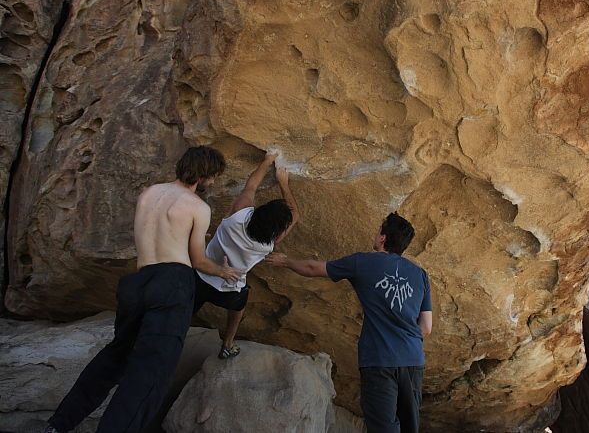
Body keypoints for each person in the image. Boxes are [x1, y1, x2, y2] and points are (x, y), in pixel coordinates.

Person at [45, 146, 242, 433]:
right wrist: (223, 270)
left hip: (137, 283)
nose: (212, 183)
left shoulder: (149, 193)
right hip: (172, 283)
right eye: (212, 177)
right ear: (204, 174)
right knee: (150, 371)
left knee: (114, 358)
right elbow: (198, 260)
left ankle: (58, 426)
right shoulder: (198, 207)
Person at [266, 212, 433, 433]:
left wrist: (286, 261)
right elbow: (426, 327)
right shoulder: (420, 274)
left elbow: (313, 268)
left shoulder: (362, 263)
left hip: (379, 360)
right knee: (409, 426)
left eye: (378, 231)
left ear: (383, 238)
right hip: (413, 360)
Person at [192, 151, 299, 359]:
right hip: (229, 288)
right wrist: (283, 183)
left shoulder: (239, 214)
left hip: (201, 275)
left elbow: (252, 184)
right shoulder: (269, 244)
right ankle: (228, 343)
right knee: (238, 308)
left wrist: (267, 160)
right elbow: (295, 214)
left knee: (185, 309)